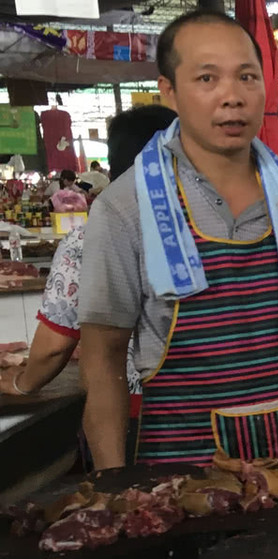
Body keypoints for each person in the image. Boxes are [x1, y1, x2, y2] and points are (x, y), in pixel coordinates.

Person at [77, 9, 278, 491]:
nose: (232, 96)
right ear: (169, 91)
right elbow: (103, 357)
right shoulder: (127, 207)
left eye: (247, 77)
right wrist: (115, 487)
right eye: (207, 78)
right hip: (187, 487)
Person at [0, 106, 178, 430]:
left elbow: (54, 348)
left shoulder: (89, 237)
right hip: (219, 408)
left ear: (115, 166)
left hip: (129, 413)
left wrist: (21, 383)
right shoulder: (211, 229)